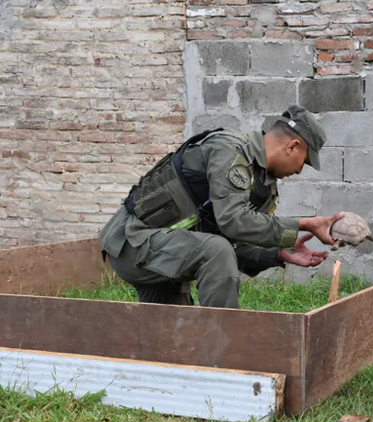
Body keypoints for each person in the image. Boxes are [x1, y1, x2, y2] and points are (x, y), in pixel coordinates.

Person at [99, 105, 343, 308]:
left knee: (175, 340)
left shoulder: (262, 188)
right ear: (293, 147)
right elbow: (233, 222)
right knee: (215, 251)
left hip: (165, 253)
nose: (300, 170)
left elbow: (235, 241)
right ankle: (225, 353)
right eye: (305, 162)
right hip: (133, 243)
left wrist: (279, 252)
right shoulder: (229, 149)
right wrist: (304, 224)